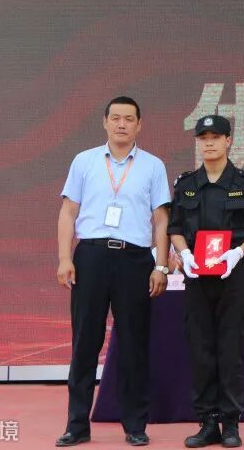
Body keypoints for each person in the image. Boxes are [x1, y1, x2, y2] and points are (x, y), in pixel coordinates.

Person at [55, 96, 170, 448]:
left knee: (134, 344)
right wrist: (64, 258)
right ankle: (77, 424)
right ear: (104, 122)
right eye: (116, 118)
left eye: (129, 119)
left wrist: (161, 265)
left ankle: (135, 424)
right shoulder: (84, 161)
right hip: (90, 257)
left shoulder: (153, 166)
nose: (122, 124)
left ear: (139, 125)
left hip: (135, 260)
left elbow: (162, 219)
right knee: (84, 342)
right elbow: (68, 213)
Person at [168, 115, 244, 448]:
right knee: (201, 347)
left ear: (228, 141)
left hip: (232, 274)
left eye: (215, 137)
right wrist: (184, 254)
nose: (209, 143)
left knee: (231, 347)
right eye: (203, 138)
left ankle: (231, 423)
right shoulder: (185, 184)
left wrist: (238, 252)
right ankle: (208, 421)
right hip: (197, 275)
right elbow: (175, 228)